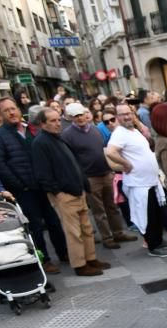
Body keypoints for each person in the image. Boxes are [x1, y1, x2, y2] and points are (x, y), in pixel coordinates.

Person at [0, 96, 68, 273]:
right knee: (35, 227)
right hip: (23, 190)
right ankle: (44, 259)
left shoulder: (31, 129)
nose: (11, 112)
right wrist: (19, 184)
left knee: (54, 221)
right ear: (0, 115)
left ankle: (64, 254)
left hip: (42, 185)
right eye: (6, 110)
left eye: (13, 108)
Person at [31, 108, 109, 277]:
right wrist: (58, 192)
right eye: (52, 121)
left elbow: (73, 163)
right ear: (42, 124)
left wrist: (83, 185)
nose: (57, 123)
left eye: (58, 120)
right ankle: (80, 265)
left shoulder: (58, 139)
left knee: (86, 229)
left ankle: (90, 259)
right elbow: (42, 174)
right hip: (64, 195)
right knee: (74, 233)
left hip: (77, 191)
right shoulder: (40, 143)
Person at [61, 103, 137, 249]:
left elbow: (104, 148)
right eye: (76, 116)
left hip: (106, 173)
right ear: (71, 118)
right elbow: (69, 159)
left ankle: (118, 232)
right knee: (98, 210)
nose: (80, 118)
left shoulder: (95, 129)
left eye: (81, 114)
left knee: (112, 206)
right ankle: (107, 237)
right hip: (90, 177)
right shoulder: (67, 135)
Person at [105, 103, 167, 258]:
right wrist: (126, 164)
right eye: (122, 114)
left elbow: (147, 138)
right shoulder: (119, 133)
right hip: (138, 183)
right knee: (147, 215)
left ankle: (158, 241)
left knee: (155, 214)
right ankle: (153, 246)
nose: (127, 116)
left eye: (129, 113)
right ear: (117, 117)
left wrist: (137, 122)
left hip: (149, 181)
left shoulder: (133, 130)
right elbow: (110, 152)